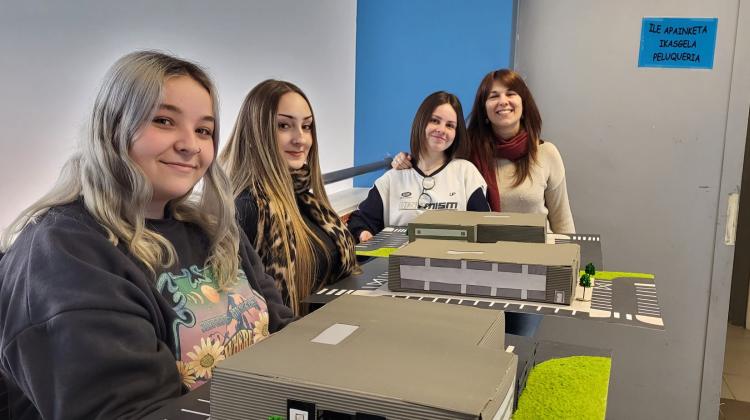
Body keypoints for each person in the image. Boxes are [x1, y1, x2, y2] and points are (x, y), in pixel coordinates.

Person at [0, 51, 294, 419]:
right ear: (112, 127)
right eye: (164, 121)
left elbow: (284, 336)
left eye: (204, 130)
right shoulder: (65, 252)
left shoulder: (214, 230)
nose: (190, 144)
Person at [219, 80, 358, 316]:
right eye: (283, 126)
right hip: (292, 345)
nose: (301, 139)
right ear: (256, 132)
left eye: (306, 126)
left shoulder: (306, 199)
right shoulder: (248, 209)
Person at [391, 70, 575, 233]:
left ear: (524, 103)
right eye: (494, 96)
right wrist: (404, 160)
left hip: (540, 256)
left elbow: (563, 222)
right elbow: (432, 165)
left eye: (511, 93)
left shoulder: (546, 153)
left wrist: (569, 265)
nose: (503, 101)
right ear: (484, 109)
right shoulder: (466, 153)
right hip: (485, 257)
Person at [347, 91, 490, 243]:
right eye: (435, 120)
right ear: (421, 122)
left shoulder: (466, 173)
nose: (441, 130)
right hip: (400, 265)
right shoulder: (392, 179)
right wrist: (364, 234)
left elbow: (484, 229)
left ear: (456, 133)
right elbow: (360, 221)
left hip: (453, 264)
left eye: (450, 125)